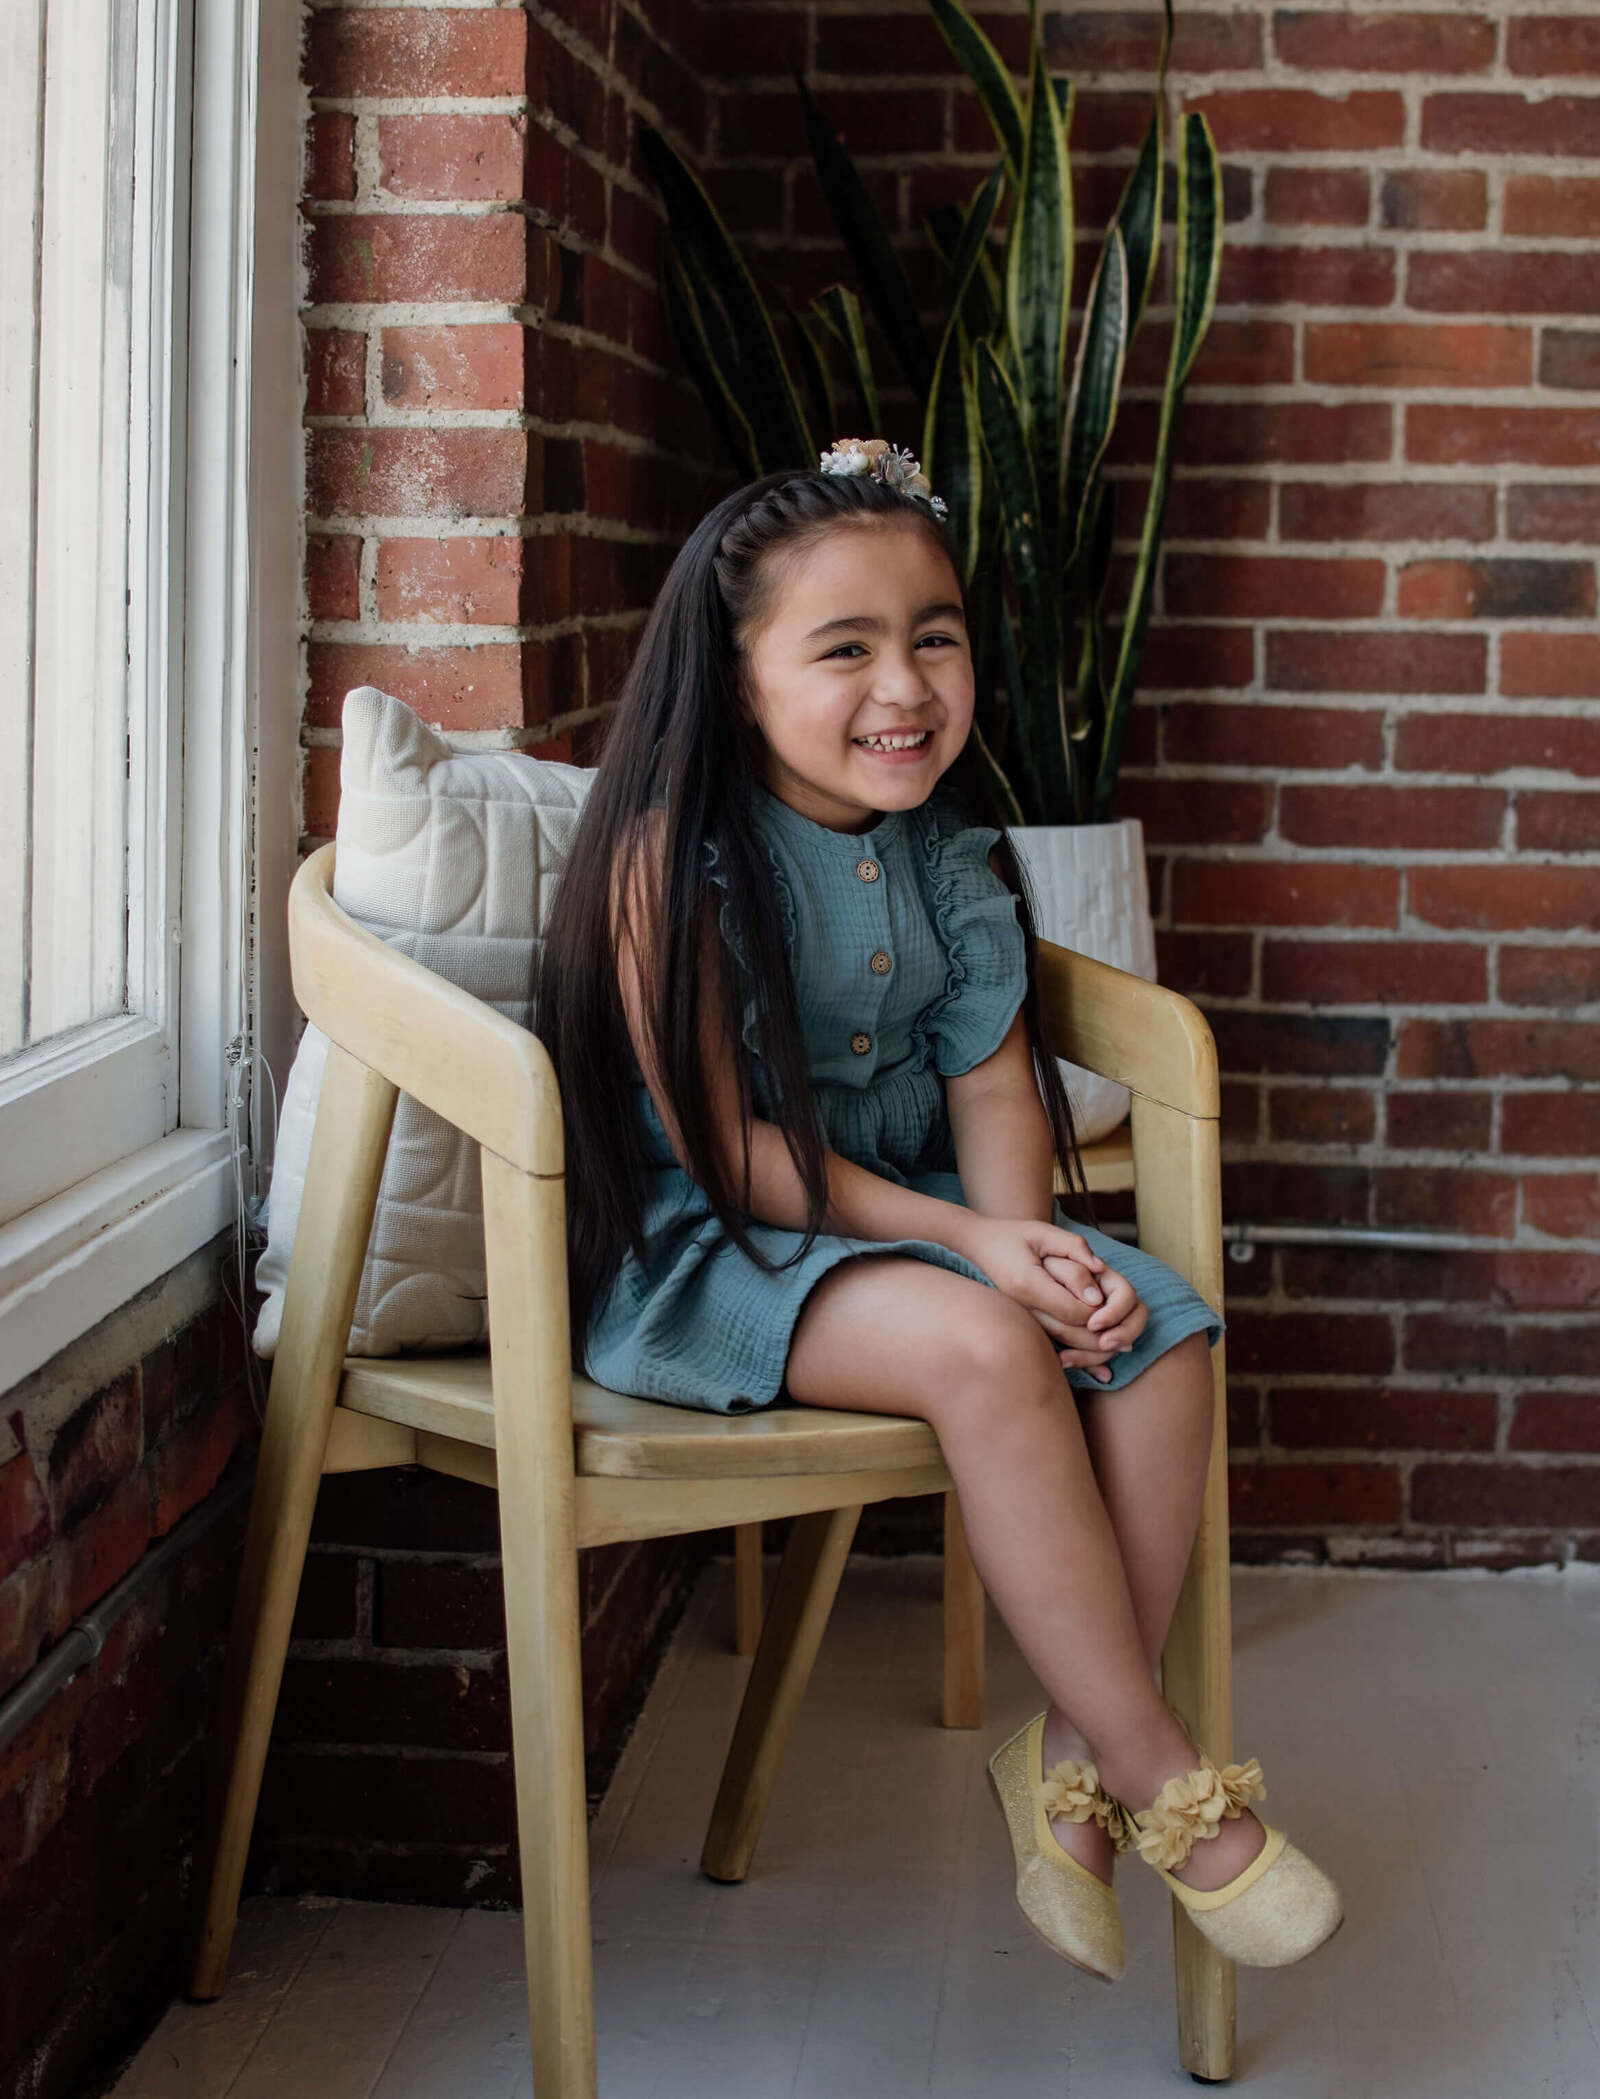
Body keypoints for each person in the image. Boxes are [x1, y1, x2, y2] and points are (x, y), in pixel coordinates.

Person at [537, 443, 1341, 1983]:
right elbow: (729, 1151)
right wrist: (980, 1263)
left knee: (1154, 1327)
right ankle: (1166, 1776)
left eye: (935, 633)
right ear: (737, 670)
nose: (904, 682)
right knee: (984, 1344)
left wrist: (1034, 1251)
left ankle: (1069, 1766)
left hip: (916, 1238)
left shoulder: (959, 865)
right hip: (728, 1247)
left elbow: (990, 1098)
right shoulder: (673, 864)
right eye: (843, 646)